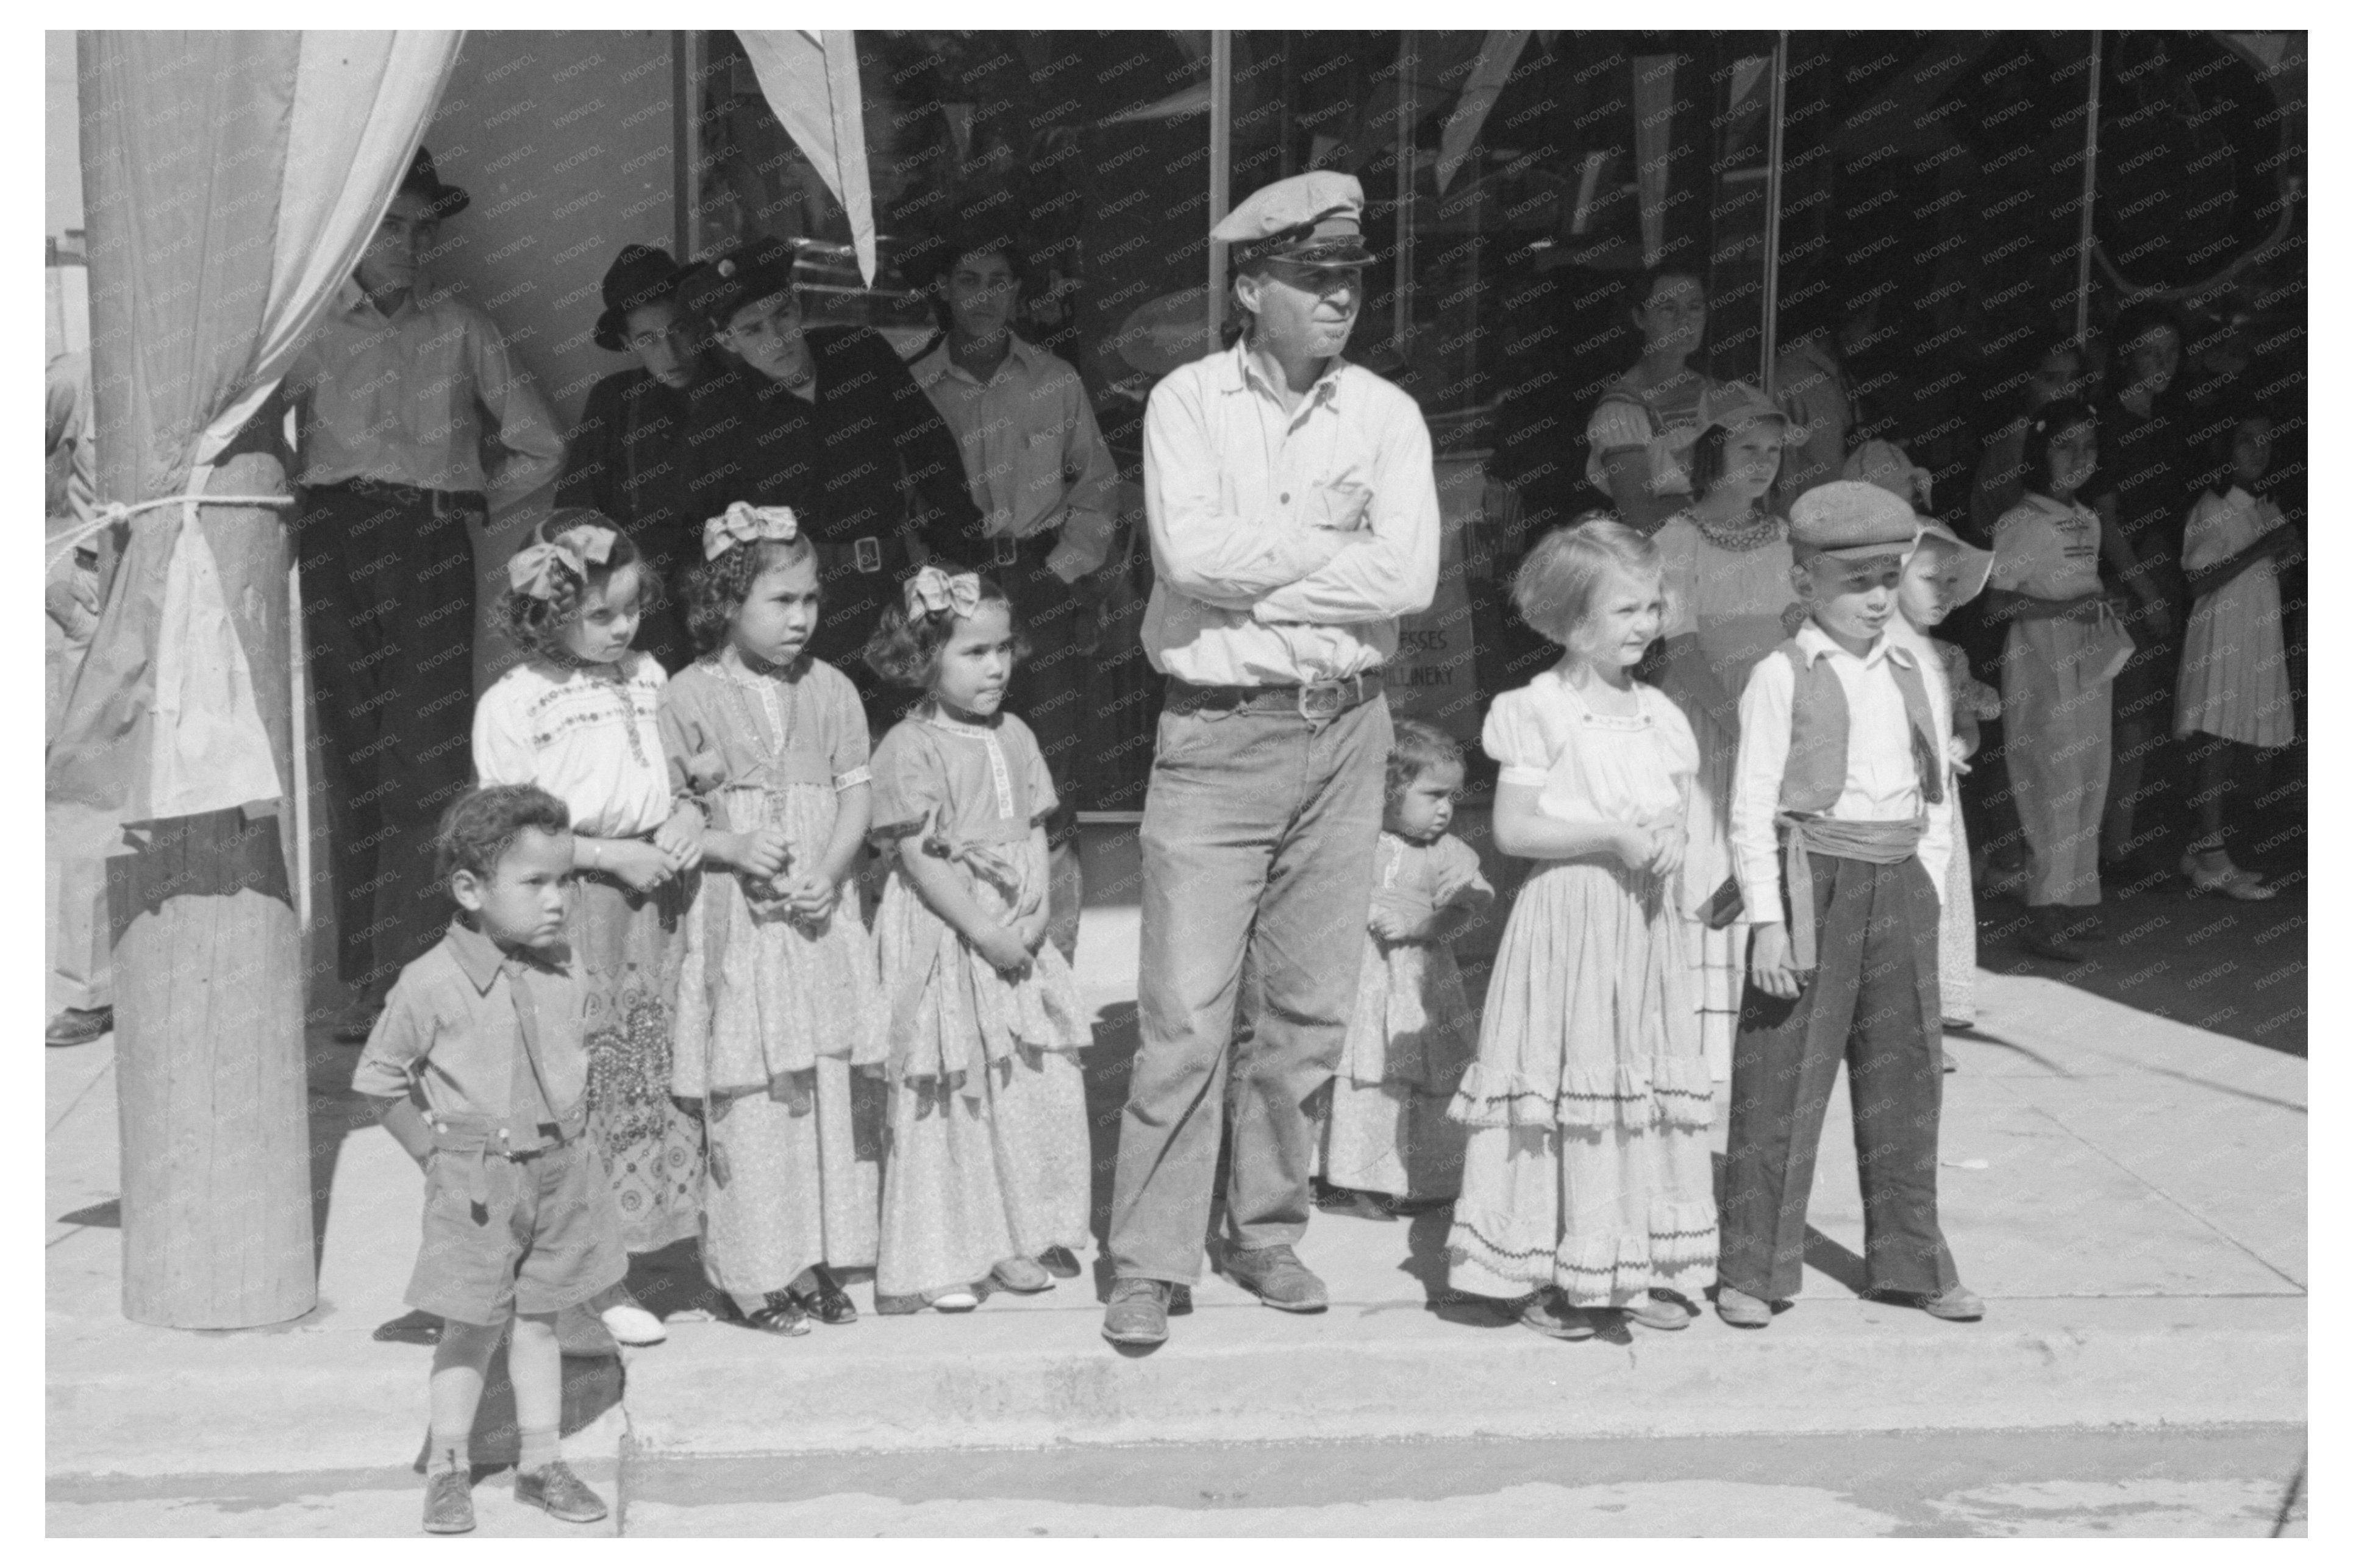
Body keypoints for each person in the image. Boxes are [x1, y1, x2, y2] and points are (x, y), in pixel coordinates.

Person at [1101, 171, 1439, 1349]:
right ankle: (1146, 1258)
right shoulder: (1185, 403)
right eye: (1310, 279)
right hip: (1217, 730)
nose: (1337, 298)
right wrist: (1328, 549)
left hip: (1348, 729)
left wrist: (1268, 563)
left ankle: (1263, 1224)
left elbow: (1408, 581)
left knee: (1302, 1007)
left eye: (1346, 278)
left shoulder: (1385, 416)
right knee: (1187, 1014)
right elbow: (1188, 556)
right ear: (1250, 288)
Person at [285, 148, 565, 1040]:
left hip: (430, 545)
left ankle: (412, 976)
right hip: (334, 542)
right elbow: (254, 425)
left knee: (426, 759)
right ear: (359, 234)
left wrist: (467, 502)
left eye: (425, 227)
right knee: (350, 754)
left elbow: (541, 446)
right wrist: (297, 507)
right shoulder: (312, 328)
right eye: (394, 227)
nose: (413, 244)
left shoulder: (462, 328)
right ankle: (361, 980)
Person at [1715, 480, 1979, 1331]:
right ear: (1803, 584)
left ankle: (1910, 1261)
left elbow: (1934, 794)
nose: (1874, 601)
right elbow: (1750, 804)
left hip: (1895, 879)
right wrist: (1765, 920)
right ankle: (1753, 1267)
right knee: (1779, 1077)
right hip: (1808, 883)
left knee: (1903, 1081)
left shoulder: (1915, 669)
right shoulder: (1779, 674)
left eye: (1886, 581)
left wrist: (1926, 893)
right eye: (1853, 584)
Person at [1448, 519, 1715, 1340]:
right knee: (1567, 1085)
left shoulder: (1657, 713)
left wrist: (1670, 835)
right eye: (1624, 610)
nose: (1644, 624)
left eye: (1650, 606)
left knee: (1633, 1080)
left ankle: (1636, 1255)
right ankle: (1540, 1265)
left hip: (1643, 926)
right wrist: (1608, 835)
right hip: (1570, 918)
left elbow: (1671, 809)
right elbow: (1515, 831)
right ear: (1570, 624)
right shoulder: (1538, 711)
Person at [351, 784, 626, 1534]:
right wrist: (432, 1154)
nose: (558, 900)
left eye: (565, 879)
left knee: (542, 1321)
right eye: (535, 883)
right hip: (475, 1181)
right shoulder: (430, 981)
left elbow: (583, 1051)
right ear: (471, 890)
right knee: (468, 1326)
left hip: (560, 1169)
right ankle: (448, 1468)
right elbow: (377, 1079)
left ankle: (540, 1463)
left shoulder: (564, 964)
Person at [471, 511, 704, 1326]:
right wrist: (609, 857)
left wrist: (684, 817)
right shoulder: (518, 702)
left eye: (631, 610)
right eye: (599, 614)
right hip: (572, 904)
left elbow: (682, 773)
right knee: (583, 1078)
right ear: (546, 611)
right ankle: (587, 1280)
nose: (620, 629)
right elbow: (512, 835)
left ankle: (656, 1242)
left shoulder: (650, 678)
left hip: (656, 897)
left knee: (655, 1064)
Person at [661, 502, 885, 1335]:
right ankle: (753, 1273)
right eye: (779, 602)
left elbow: (855, 794)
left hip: (818, 925)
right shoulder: (686, 695)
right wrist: (729, 845)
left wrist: (829, 873)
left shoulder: (831, 691)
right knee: (756, 1102)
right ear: (726, 602)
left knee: (823, 1095)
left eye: (811, 600)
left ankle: (814, 1255)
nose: (801, 619)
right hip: (743, 932)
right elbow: (675, 816)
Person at [864, 567, 1092, 1314]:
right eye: (972, 653)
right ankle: (942, 1251)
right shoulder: (908, 744)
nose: (995, 667)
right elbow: (920, 855)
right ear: (925, 657)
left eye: (1002, 650)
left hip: (1015, 924)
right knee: (951, 1088)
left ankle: (1017, 1234)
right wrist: (985, 927)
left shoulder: (1017, 733)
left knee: (1025, 1081)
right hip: (948, 930)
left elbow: (1034, 825)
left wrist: (1032, 916)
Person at [912, 223, 1121, 966]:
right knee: (957, 760)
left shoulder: (1054, 380)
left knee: (1051, 770)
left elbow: (1097, 490)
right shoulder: (917, 384)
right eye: (967, 280)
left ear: (1019, 291)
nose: (984, 297)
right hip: (951, 587)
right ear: (944, 289)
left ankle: (1052, 954)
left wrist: (1060, 572)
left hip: (1038, 580)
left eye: (999, 280)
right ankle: (966, 948)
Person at [677, 238, 983, 738]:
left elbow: (935, 459)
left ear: (797, 306)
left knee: (909, 747)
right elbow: (700, 534)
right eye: (752, 330)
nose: (776, 338)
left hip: (890, 593)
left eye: (781, 316)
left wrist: (955, 566)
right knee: (813, 756)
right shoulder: (720, 416)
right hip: (794, 610)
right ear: (728, 341)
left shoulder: (860, 354)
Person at [1652, 385, 1800, 1092]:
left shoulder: (1784, 536)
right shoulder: (1675, 541)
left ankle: (1756, 1024)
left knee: (1766, 855)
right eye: (1748, 448)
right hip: (1707, 714)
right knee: (1707, 855)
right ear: (1712, 452)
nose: (1764, 463)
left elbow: (1799, 625)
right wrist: (1737, 721)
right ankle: (1691, 1039)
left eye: (1773, 451)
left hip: (1774, 708)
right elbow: (1679, 645)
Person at [1310, 721, 1494, 1222]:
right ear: (1388, 792)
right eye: (1432, 795)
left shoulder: (1445, 853)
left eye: (1452, 797)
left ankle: (1426, 1177)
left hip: (1417, 984)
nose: (1445, 809)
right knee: (1359, 1072)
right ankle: (1349, 1177)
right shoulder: (1354, 842)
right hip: (1359, 979)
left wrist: (1422, 921)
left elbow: (1469, 902)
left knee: (1420, 1072)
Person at [1987, 401, 2122, 964]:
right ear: (2040, 452)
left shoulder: (2086, 518)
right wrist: (2060, 610)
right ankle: (2042, 911)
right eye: (2065, 446)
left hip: (2086, 662)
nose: (2078, 458)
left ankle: (2073, 900)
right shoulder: (2022, 522)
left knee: (2090, 775)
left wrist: (2094, 608)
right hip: (2040, 664)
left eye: (2088, 446)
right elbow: (1995, 602)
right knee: (2049, 778)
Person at [557, 244, 717, 671]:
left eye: (677, 329)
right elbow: (576, 519)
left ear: (698, 323)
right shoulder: (615, 403)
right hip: (647, 611)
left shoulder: (736, 390)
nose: (670, 353)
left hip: (727, 601)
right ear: (628, 343)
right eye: (647, 339)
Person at [2174, 409, 2298, 899]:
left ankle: (2201, 850)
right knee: (2214, 738)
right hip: (2219, 634)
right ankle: (2210, 856)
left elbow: (2273, 572)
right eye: (2246, 440)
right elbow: (2199, 579)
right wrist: (2263, 547)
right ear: (2225, 448)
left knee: (2229, 740)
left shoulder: (2262, 505)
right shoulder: (2212, 506)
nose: (2257, 451)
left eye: (2265, 442)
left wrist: (2283, 556)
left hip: (2252, 634)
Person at [2088, 303, 2189, 871]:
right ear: (2126, 354)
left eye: (2172, 350)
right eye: (2151, 350)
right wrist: (2145, 590)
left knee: (2139, 720)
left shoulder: (2171, 422)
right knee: (2108, 715)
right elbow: (2105, 517)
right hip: (2115, 584)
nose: (2164, 362)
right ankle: (2090, 851)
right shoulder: (2104, 421)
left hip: (2159, 575)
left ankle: (2117, 848)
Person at [1889, 520, 2000, 1033]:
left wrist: (1961, 745)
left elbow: (1967, 727)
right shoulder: (1872, 656)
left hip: (1938, 801)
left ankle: (1933, 1008)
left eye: (1951, 583)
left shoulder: (1948, 658)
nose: (1944, 594)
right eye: (1931, 579)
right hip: (1890, 801)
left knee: (1937, 894)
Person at [46, 349, 111, 1047]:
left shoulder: (224, 353)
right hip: (98, 586)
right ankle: (90, 986)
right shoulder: (77, 372)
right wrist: (51, 574)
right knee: (91, 781)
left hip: (196, 581)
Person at [1585, 268, 1724, 535]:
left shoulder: (1716, 392)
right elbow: (1641, 518)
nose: (1684, 320)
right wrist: (1717, 501)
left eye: (1695, 307)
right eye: (1668, 309)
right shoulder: (1620, 409)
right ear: (1639, 318)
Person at [1969, 340, 2087, 543]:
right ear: (2024, 384)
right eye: (2052, 379)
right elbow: (2032, 531)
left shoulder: (2061, 436)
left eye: (2073, 378)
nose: (2067, 390)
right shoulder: (2014, 445)